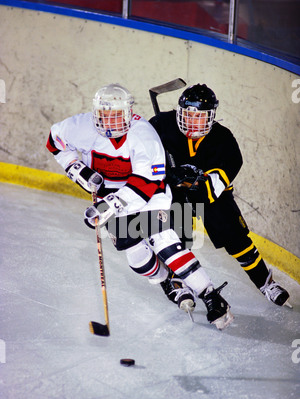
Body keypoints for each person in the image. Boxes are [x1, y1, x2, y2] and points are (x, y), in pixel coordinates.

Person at [46, 83, 234, 329]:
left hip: (150, 194)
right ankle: (168, 281)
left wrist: (108, 207)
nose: (110, 121)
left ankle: (211, 296)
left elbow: (146, 184)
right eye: (105, 114)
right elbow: (54, 140)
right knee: (137, 259)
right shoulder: (80, 126)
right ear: (96, 113)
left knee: (165, 242)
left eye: (116, 114)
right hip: (111, 198)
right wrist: (75, 168)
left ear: (128, 113)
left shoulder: (143, 134)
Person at [149, 83, 290, 307]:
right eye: (188, 115)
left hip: (212, 195)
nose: (193, 122)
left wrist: (189, 180)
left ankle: (266, 283)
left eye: (200, 117)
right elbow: (143, 158)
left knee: (236, 239)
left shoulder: (223, 140)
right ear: (179, 112)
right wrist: (166, 174)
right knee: (176, 238)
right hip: (175, 195)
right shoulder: (160, 125)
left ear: (211, 117)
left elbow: (212, 185)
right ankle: (177, 281)